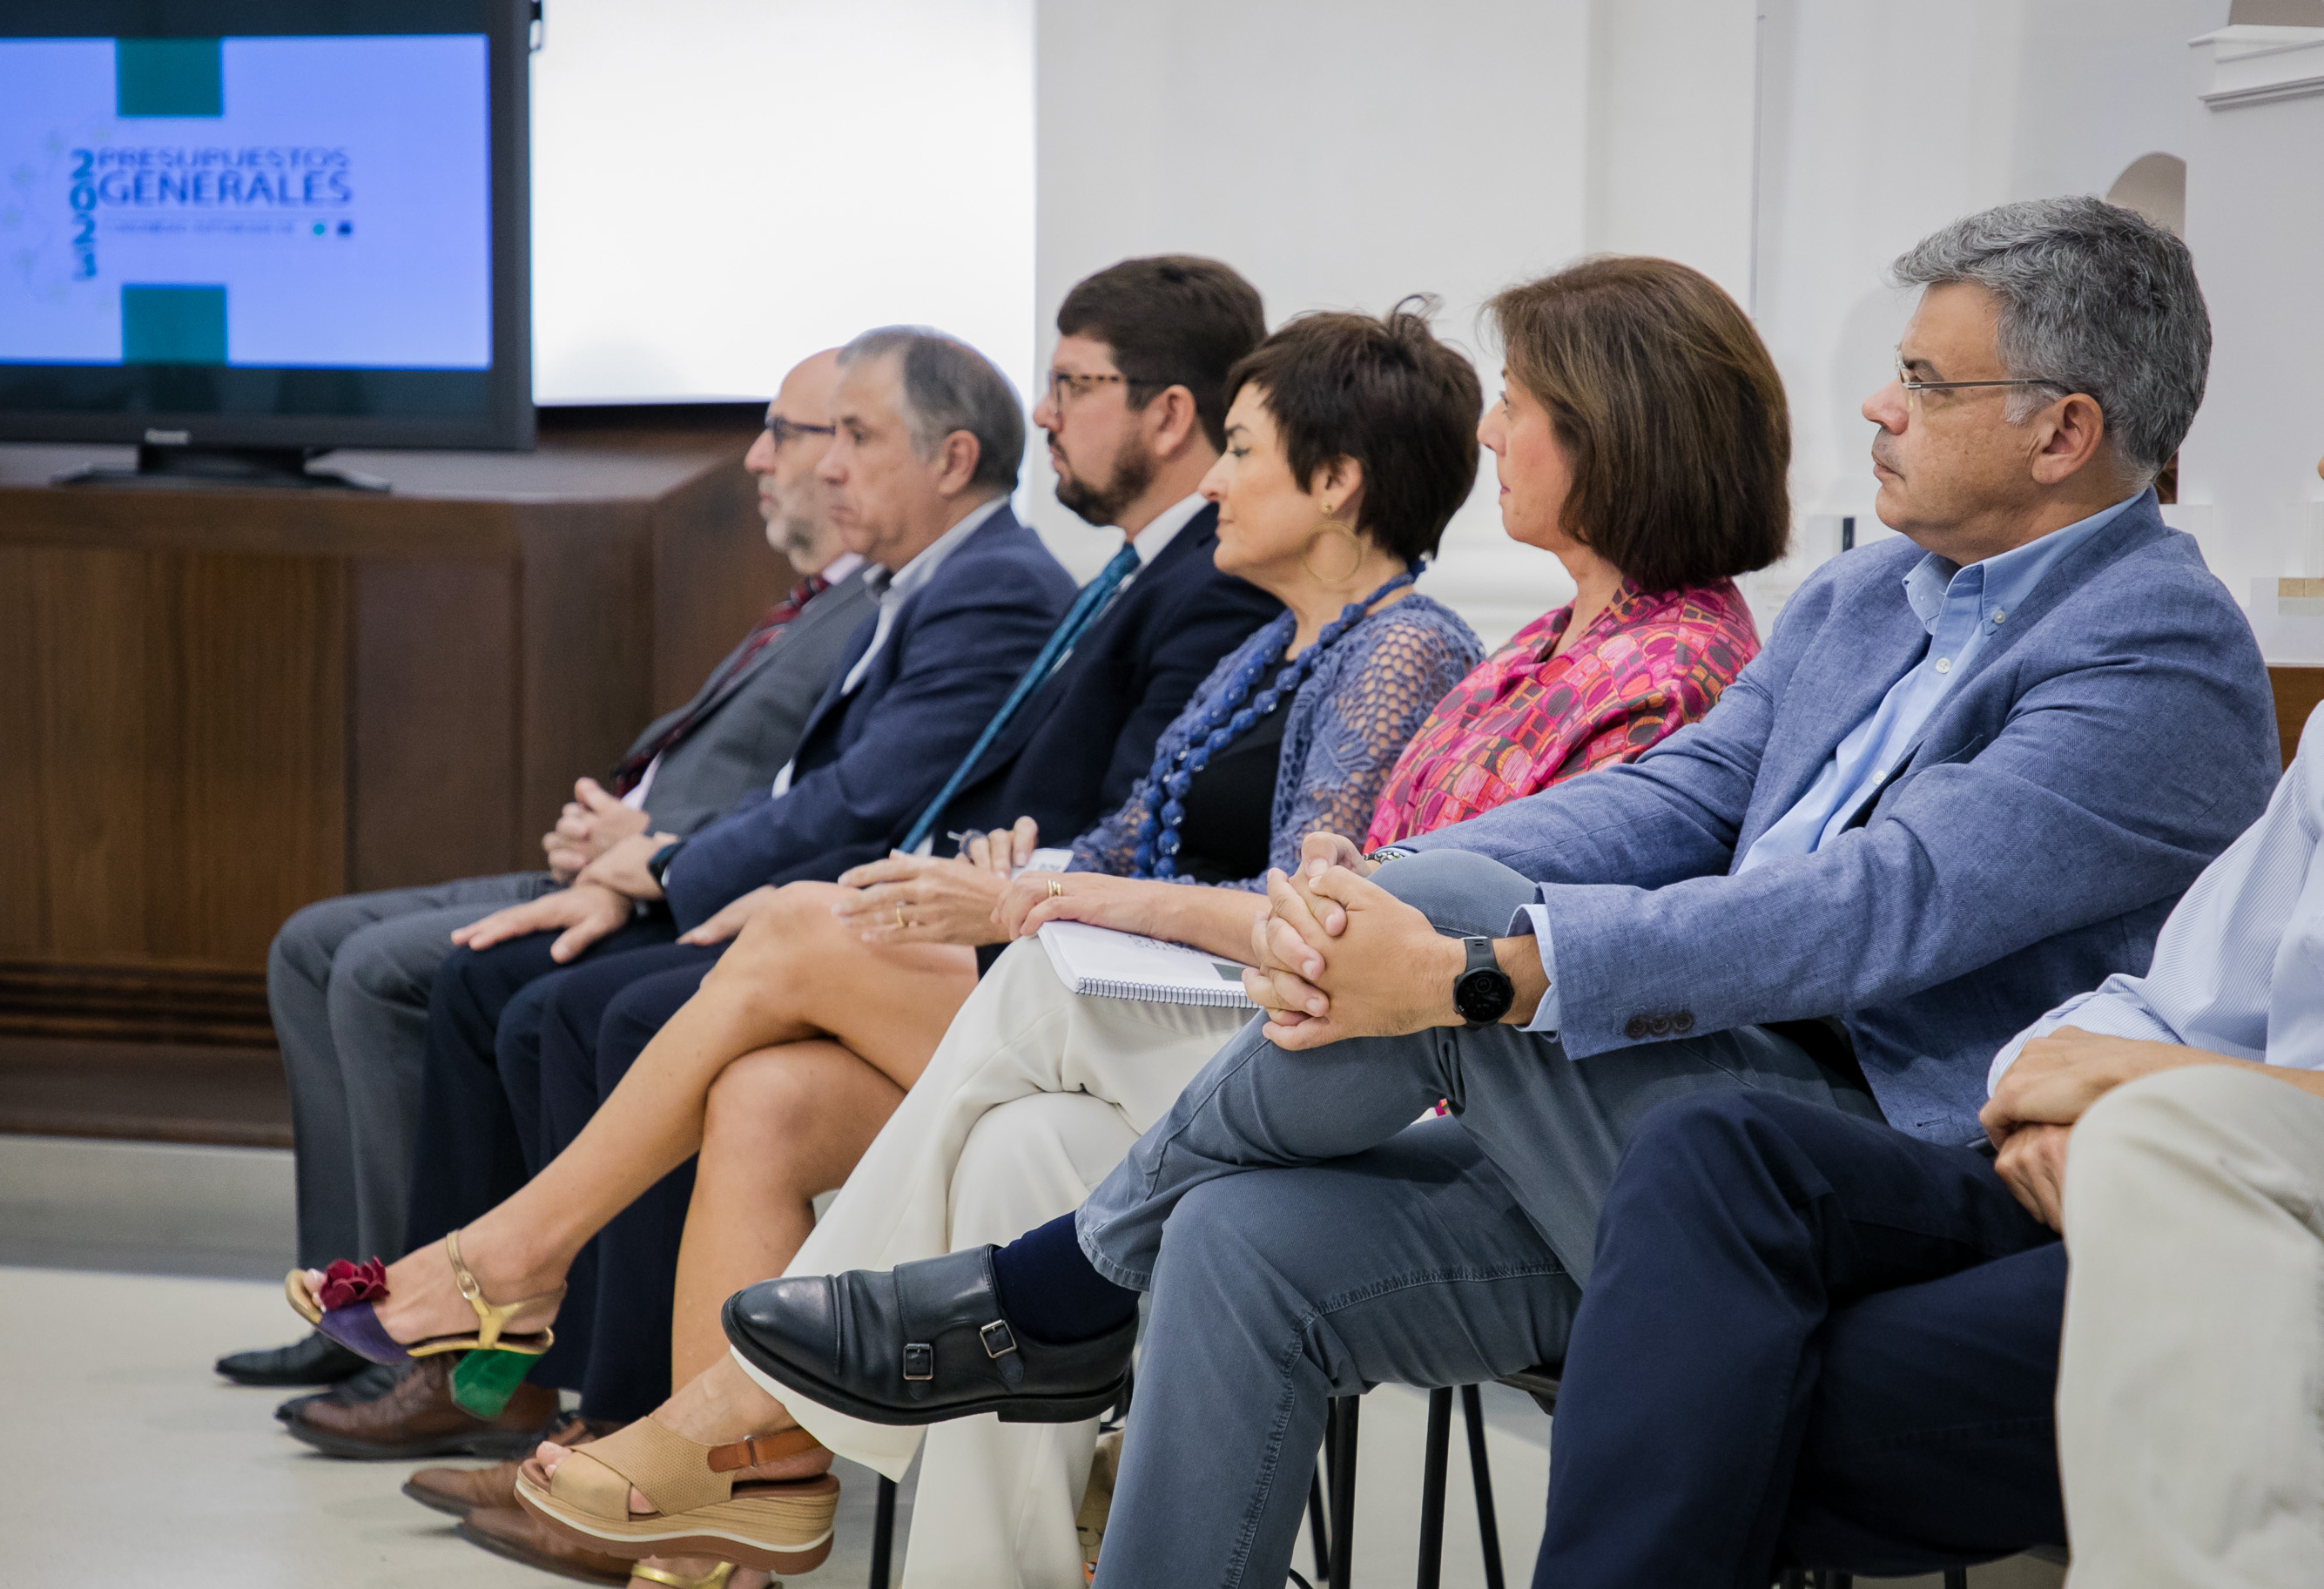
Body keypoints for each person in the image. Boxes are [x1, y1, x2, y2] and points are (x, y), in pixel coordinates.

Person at [726, 198, 2280, 1589]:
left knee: (1447, 911)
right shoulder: (1875, 591)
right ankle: (1058, 1305)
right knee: (1238, 1244)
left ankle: (1049, 1296)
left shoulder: (2153, 652)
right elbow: (1682, 799)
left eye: (1925, 383)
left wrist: (1491, 960)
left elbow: (1873, 906)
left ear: (2060, 431)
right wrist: (1384, 895)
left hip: (1862, 1161)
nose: (1875, 405)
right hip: (1654, 1118)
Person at [538, 258, 1800, 1589]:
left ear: (1618, 431)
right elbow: (1347, 873)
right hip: (1327, 1042)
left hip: (1455, 1095)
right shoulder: (1531, 645)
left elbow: (1450, 919)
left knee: (1016, 985)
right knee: (1023, 1140)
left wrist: (1081, 898)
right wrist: (1090, 879)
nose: (1493, 430)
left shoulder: (1661, 669)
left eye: (1524, 403)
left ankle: (740, 1415)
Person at [302, 299, 1486, 1584]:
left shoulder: (1403, 651)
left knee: (805, 926)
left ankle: (533, 1270)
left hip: (1246, 1050)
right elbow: (1123, 842)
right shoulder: (1271, 645)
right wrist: (1006, 881)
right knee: (765, 1096)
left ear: (1339, 484)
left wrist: (1043, 903)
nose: (1214, 477)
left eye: (1243, 450)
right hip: (1132, 1000)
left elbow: (1299, 909)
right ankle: (734, 1508)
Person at [278, 325, 1081, 1458]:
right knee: (503, 983)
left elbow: (863, 801)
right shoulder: (913, 583)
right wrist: (642, 857)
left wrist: (657, 862)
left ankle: (619, 1408)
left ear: (950, 459)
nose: (824, 465)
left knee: (591, 1007)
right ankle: (524, 1377)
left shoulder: (992, 584)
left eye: (854, 436)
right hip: (824, 899)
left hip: (893, 922)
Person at [1529, 703, 2324, 1588]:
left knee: (1698, 1404)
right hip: (2122, 1157)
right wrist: (2056, 1099)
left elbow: (1895, 894)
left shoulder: (2151, 637)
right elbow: (2160, 1000)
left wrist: (2146, 1092)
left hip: (2262, 1219)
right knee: (1714, 1142)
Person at [219, 349, 875, 1392]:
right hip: (640, 861)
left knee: (399, 970)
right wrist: (623, 834)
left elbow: (832, 798)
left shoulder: (895, 604)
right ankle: (364, 1304)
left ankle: (435, 1345)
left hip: (675, 879)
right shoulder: (821, 600)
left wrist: (648, 851)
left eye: (792, 433)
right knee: (312, 942)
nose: (762, 457)